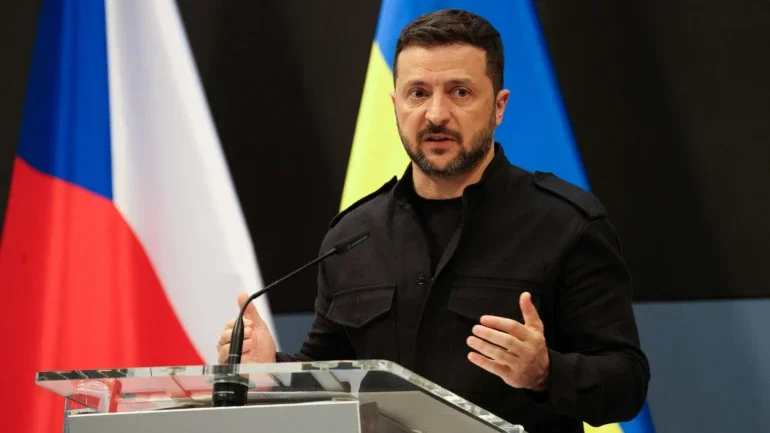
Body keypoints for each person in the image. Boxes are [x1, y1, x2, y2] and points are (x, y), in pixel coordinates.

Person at [216, 8, 649, 433]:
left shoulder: (566, 223)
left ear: (498, 107)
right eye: (418, 93)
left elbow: (626, 384)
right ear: (396, 104)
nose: (436, 114)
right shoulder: (353, 235)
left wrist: (545, 372)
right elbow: (328, 377)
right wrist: (271, 370)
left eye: (460, 92)